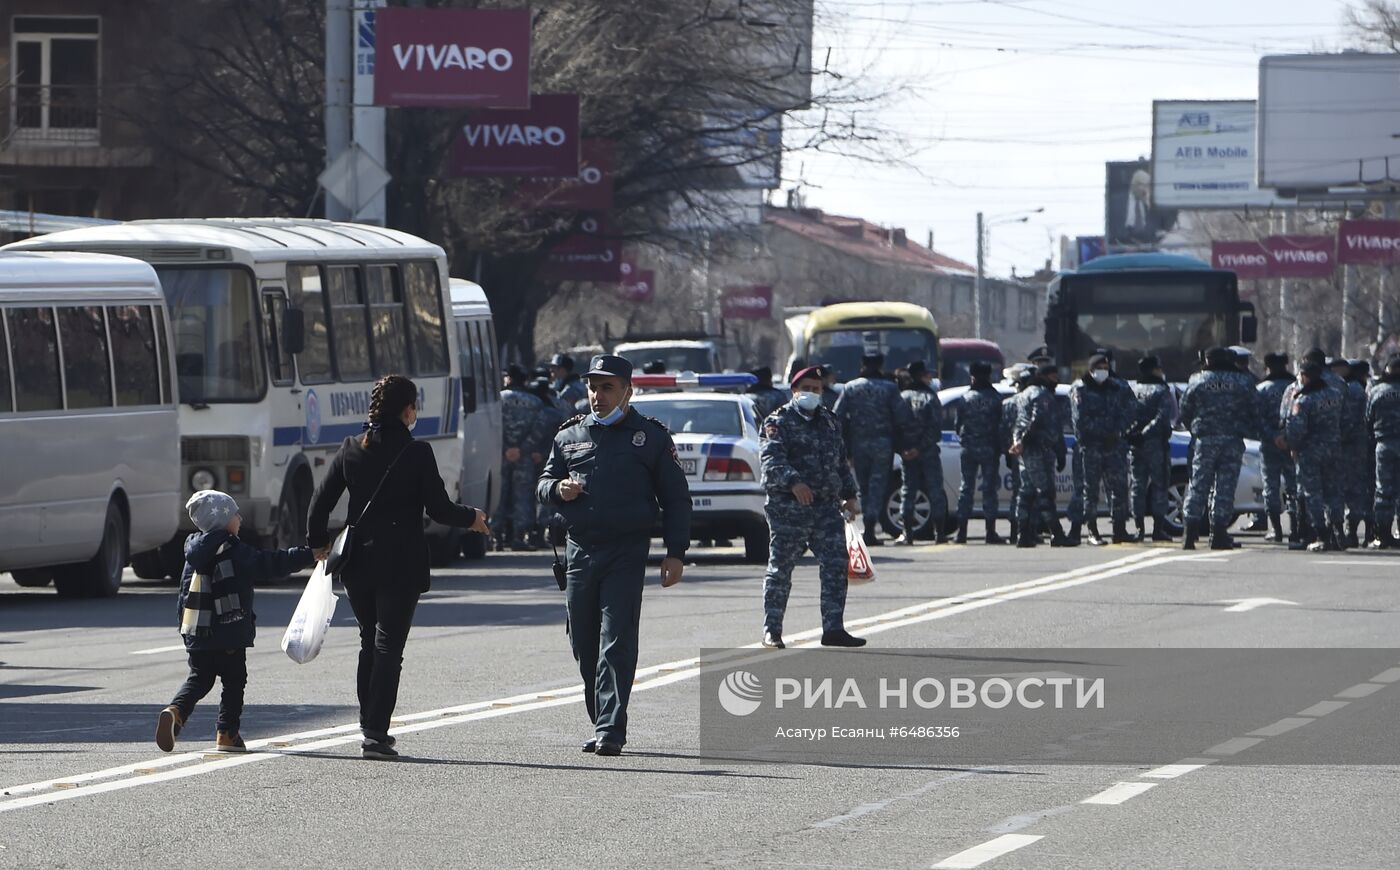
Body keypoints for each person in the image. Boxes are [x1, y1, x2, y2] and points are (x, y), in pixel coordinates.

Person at [308, 375, 489, 760]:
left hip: (358, 563)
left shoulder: (350, 448)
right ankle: (375, 731)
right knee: (389, 645)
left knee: (367, 641)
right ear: (408, 410)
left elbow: (319, 503)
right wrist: (472, 517)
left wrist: (319, 543)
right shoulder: (416, 452)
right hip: (400, 563)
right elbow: (439, 509)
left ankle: (368, 724)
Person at [536, 355, 690, 757]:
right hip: (580, 551)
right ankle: (601, 715)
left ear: (627, 391)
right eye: (592, 387)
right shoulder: (569, 436)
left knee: (615, 641)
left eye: (607, 388)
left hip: (626, 551)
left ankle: (610, 729)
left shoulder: (651, 437)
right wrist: (557, 490)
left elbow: (676, 499)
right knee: (584, 645)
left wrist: (675, 553)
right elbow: (543, 482)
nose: (597, 396)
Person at [156, 490, 315, 754]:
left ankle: (176, 712)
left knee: (199, 679)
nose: (240, 518)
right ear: (223, 521)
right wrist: (308, 555)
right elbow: (271, 563)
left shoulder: (192, 552)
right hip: (229, 632)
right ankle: (227, 733)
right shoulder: (234, 550)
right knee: (234, 680)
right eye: (234, 514)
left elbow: (184, 597)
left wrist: (187, 635)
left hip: (197, 633)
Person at [758, 366, 865, 648]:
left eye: (816, 389)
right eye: (806, 388)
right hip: (789, 509)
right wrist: (794, 483)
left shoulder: (829, 421)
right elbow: (771, 460)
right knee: (781, 569)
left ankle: (833, 629)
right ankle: (773, 630)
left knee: (835, 566)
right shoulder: (778, 422)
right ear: (794, 390)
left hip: (826, 509)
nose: (811, 393)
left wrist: (850, 495)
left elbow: (840, 461)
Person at [1178, 347, 1255, 550]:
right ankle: (1218, 533)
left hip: (1205, 439)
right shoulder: (1242, 381)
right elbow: (1254, 408)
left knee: (1198, 485)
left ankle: (1189, 533)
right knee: (1225, 487)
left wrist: (1195, 429)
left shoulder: (1197, 380)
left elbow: (1184, 409)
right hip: (1232, 439)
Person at [834, 352, 911, 547]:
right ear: (881, 365)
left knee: (864, 486)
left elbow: (837, 416)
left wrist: (845, 444)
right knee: (878, 486)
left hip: (859, 444)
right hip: (883, 444)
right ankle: (870, 528)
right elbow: (902, 417)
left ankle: (868, 527)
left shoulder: (851, 387)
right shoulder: (890, 388)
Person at [1281, 362, 1344, 552]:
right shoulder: (1335, 395)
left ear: (1305, 376)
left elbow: (1296, 430)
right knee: (1333, 492)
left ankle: (1321, 535)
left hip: (1311, 452)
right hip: (1333, 449)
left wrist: (1292, 445)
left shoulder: (1303, 401)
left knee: (1313, 494)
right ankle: (1336, 531)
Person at [1071, 353, 1133, 545]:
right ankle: (1092, 530)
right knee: (1090, 491)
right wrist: (1103, 433)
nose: (1103, 371)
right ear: (1091, 369)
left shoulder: (1115, 388)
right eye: (1099, 367)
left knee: (1119, 489)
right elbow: (1080, 420)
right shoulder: (1080, 389)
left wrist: (1118, 431)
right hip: (1091, 447)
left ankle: (1119, 529)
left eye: (1106, 367)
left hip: (1114, 446)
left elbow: (1129, 411)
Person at [1010, 363, 1069, 548]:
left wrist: (1019, 442)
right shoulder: (1041, 394)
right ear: (1043, 377)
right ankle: (1056, 533)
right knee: (1045, 492)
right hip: (1038, 449)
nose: (1057, 380)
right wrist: (1023, 441)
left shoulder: (1022, 395)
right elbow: (1037, 420)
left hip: (1027, 451)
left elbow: (1019, 423)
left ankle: (1023, 534)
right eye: (1053, 377)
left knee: (1026, 492)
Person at [897, 360, 949, 544]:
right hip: (927, 453)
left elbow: (895, 427)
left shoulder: (901, 398)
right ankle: (940, 533)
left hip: (907, 453)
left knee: (908, 491)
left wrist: (904, 449)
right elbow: (935, 429)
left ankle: (907, 534)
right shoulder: (931, 398)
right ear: (921, 375)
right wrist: (919, 449)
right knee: (935, 490)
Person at [954, 360, 1004, 544]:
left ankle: (962, 533)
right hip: (990, 449)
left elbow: (957, 424)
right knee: (989, 490)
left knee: (966, 488)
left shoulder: (965, 399)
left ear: (973, 377)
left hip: (969, 449)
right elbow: (1002, 426)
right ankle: (990, 532)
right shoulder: (996, 398)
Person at [1128, 355, 1177, 541]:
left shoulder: (1133, 389)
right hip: (1155, 444)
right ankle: (1157, 529)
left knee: (1138, 485)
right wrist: (1146, 433)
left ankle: (1139, 529)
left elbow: (1127, 414)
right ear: (1155, 370)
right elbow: (1162, 417)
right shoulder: (1161, 390)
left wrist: (1132, 434)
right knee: (1160, 485)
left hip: (1135, 444)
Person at [500, 364, 546, 550]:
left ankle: (495, 535)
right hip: (524, 456)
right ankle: (519, 536)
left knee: (500, 493)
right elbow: (539, 428)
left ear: (509, 379)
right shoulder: (535, 402)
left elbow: (492, 426)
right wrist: (522, 448)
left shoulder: (498, 399)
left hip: (501, 455)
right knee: (523, 495)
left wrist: (505, 448)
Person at [1256, 353, 1298, 543]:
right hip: (1292, 444)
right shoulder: (1295, 388)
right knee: (1294, 486)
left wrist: (1273, 437)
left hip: (1269, 445)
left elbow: (1257, 419)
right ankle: (1296, 528)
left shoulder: (1262, 389)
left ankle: (1276, 529)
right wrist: (1288, 438)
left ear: (1268, 368)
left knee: (1270, 487)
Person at [1366, 357, 1400, 549]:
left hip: (1384, 445)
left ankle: (1382, 534)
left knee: (1383, 491)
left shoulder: (1377, 391)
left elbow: (1367, 418)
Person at [1337, 357, 1370, 547]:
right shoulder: (1357, 389)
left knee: (1347, 489)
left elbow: (1348, 421)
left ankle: (1348, 531)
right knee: (1356, 489)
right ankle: (1352, 531)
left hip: (1348, 446)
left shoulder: (1351, 389)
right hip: (1357, 445)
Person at [1000, 365, 1033, 544]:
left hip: (1015, 452)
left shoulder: (1009, 403)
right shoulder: (1033, 399)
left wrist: (1007, 451)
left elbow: (1004, 431)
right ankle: (1027, 530)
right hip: (1031, 452)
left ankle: (1016, 531)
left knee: (1019, 493)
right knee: (1032, 493)